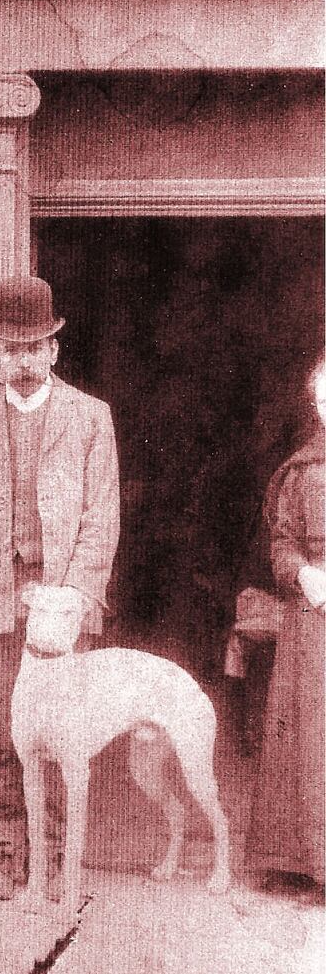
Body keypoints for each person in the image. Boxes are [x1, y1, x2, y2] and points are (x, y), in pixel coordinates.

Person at [0, 275, 120, 900]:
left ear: (54, 350)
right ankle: (6, 854)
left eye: (34, 347)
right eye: (11, 348)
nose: (23, 359)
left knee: (61, 733)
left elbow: (101, 515)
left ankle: (58, 854)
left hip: (60, 604)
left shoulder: (91, 417)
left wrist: (81, 597)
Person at [245, 358, 325, 899]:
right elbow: (281, 544)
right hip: (314, 616)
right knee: (312, 735)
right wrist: (302, 572)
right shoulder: (305, 471)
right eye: (323, 400)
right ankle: (308, 861)